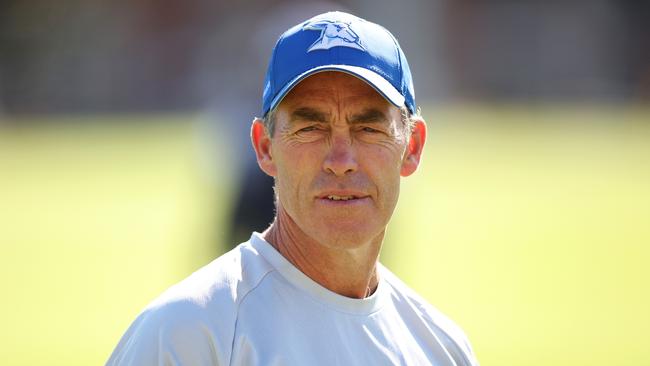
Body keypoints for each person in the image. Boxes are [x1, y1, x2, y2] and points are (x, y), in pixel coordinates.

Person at [107, 11, 479, 366]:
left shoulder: (441, 348)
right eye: (310, 129)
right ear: (264, 147)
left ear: (412, 148)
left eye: (369, 128)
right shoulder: (189, 335)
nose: (341, 159)